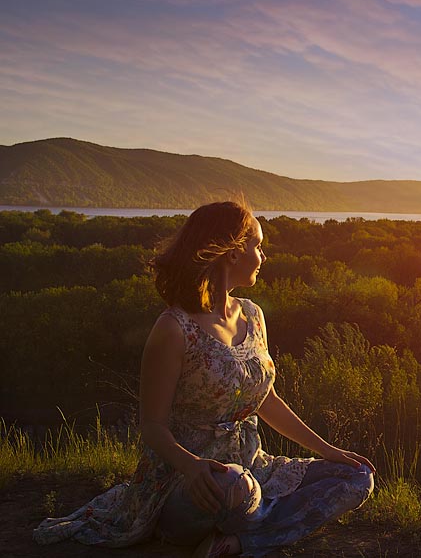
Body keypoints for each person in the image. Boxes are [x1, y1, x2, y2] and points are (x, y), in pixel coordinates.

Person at [34, 200, 375, 557]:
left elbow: (266, 400)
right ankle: (257, 523)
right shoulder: (174, 328)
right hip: (191, 484)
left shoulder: (253, 316)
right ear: (233, 251)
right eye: (258, 246)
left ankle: (242, 542)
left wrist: (329, 451)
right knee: (236, 488)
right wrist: (193, 467)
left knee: (357, 476)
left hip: (252, 467)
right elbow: (152, 427)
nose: (262, 256)